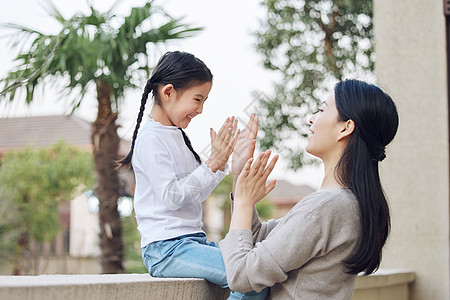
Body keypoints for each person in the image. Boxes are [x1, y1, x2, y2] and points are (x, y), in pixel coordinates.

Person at [220, 79, 399, 299]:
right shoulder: (348, 203)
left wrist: (244, 202)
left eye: (321, 110)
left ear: (346, 127)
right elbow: (259, 238)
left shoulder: (326, 207)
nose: (311, 118)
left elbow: (241, 275)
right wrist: (240, 176)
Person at [118, 51, 268, 300]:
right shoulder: (151, 139)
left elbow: (194, 194)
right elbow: (172, 197)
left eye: (204, 101)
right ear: (168, 92)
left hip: (190, 244)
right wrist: (211, 164)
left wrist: (224, 164)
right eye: (197, 99)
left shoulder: (174, 135)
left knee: (255, 267)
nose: (200, 109)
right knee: (249, 277)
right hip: (167, 249)